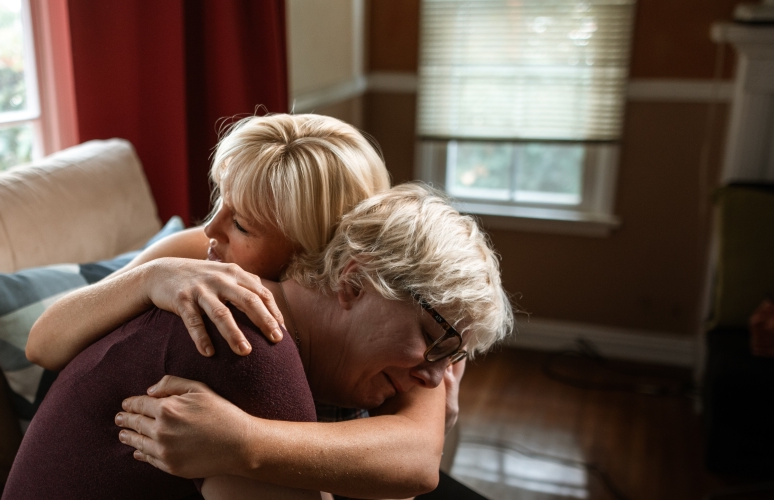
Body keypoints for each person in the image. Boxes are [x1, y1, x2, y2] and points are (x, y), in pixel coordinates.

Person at [26, 113, 479, 497]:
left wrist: (244, 441)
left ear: (311, 254)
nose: (211, 229)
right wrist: (151, 277)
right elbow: (42, 344)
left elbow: (417, 460)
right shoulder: (194, 259)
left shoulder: (391, 320)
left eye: (242, 224)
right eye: (221, 201)